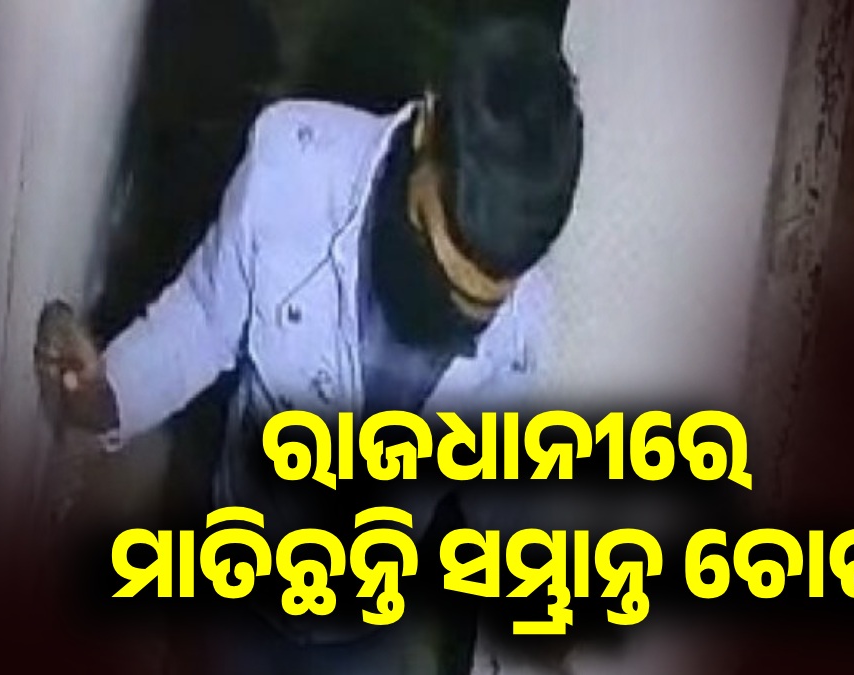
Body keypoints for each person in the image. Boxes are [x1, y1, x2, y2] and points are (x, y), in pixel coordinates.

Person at [36, 16, 583, 675]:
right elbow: (205, 315)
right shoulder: (289, 168)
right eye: (446, 276)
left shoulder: (528, 322)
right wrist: (108, 395)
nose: (453, 320)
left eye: (480, 311)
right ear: (429, 128)